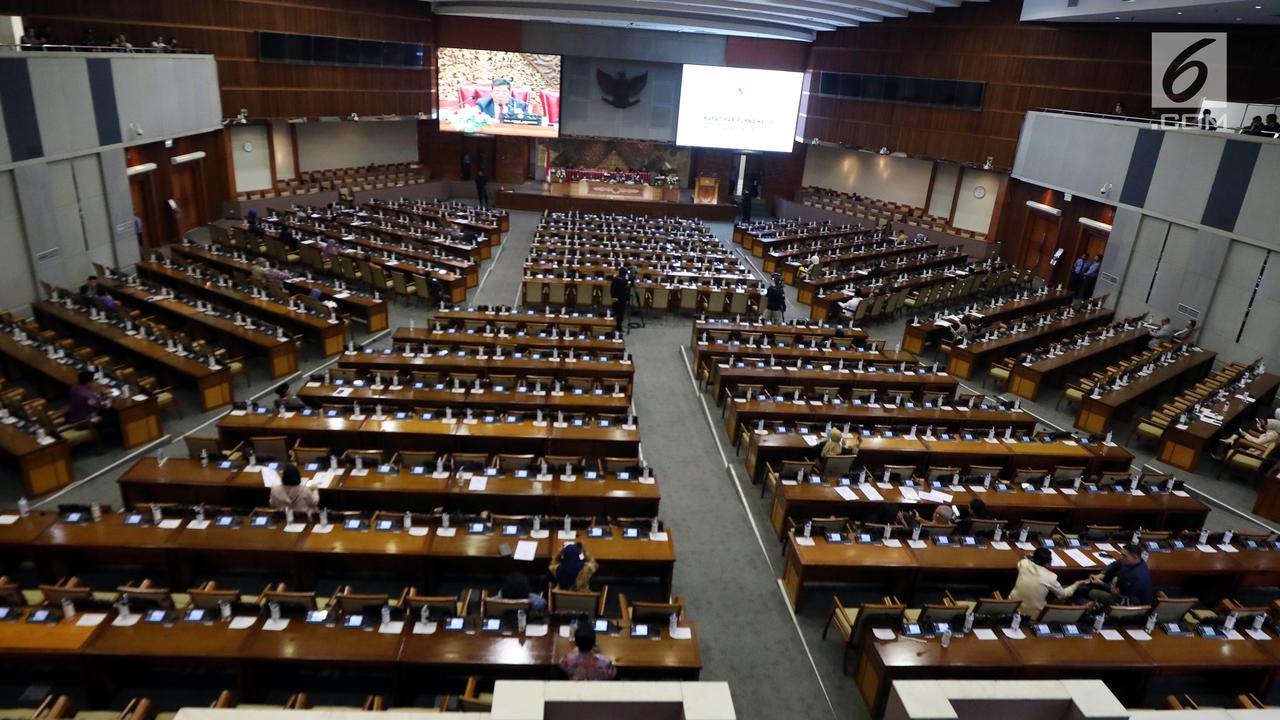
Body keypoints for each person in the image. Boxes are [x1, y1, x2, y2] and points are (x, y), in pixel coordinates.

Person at [1077, 543, 1153, 608]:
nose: (1121, 557)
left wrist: (1101, 583)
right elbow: (1116, 563)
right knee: (1085, 586)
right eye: (1121, 554)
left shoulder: (1136, 577)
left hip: (1128, 603)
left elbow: (1117, 593)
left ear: (1135, 557)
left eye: (1124, 556)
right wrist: (1102, 574)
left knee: (1087, 592)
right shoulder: (1136, 562)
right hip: (1119, 590)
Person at [1009, 547, 1079, 616]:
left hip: (1012, 606)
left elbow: (1023, 560)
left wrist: (1028, 557)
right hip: (1032, 615)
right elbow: (1062, 595)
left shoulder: (1024, 564)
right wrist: (1077, 584)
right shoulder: (1051, 577)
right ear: (1048, 563)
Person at [609, 266, 630, 334]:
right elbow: (626, 291)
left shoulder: (615, 279)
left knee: (614, 312)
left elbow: (611, 288)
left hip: (614, 299)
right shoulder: (625, 281)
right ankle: (619, 328)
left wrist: (612, 297)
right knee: (620, 315)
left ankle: (612, 326)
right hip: (621, 300)